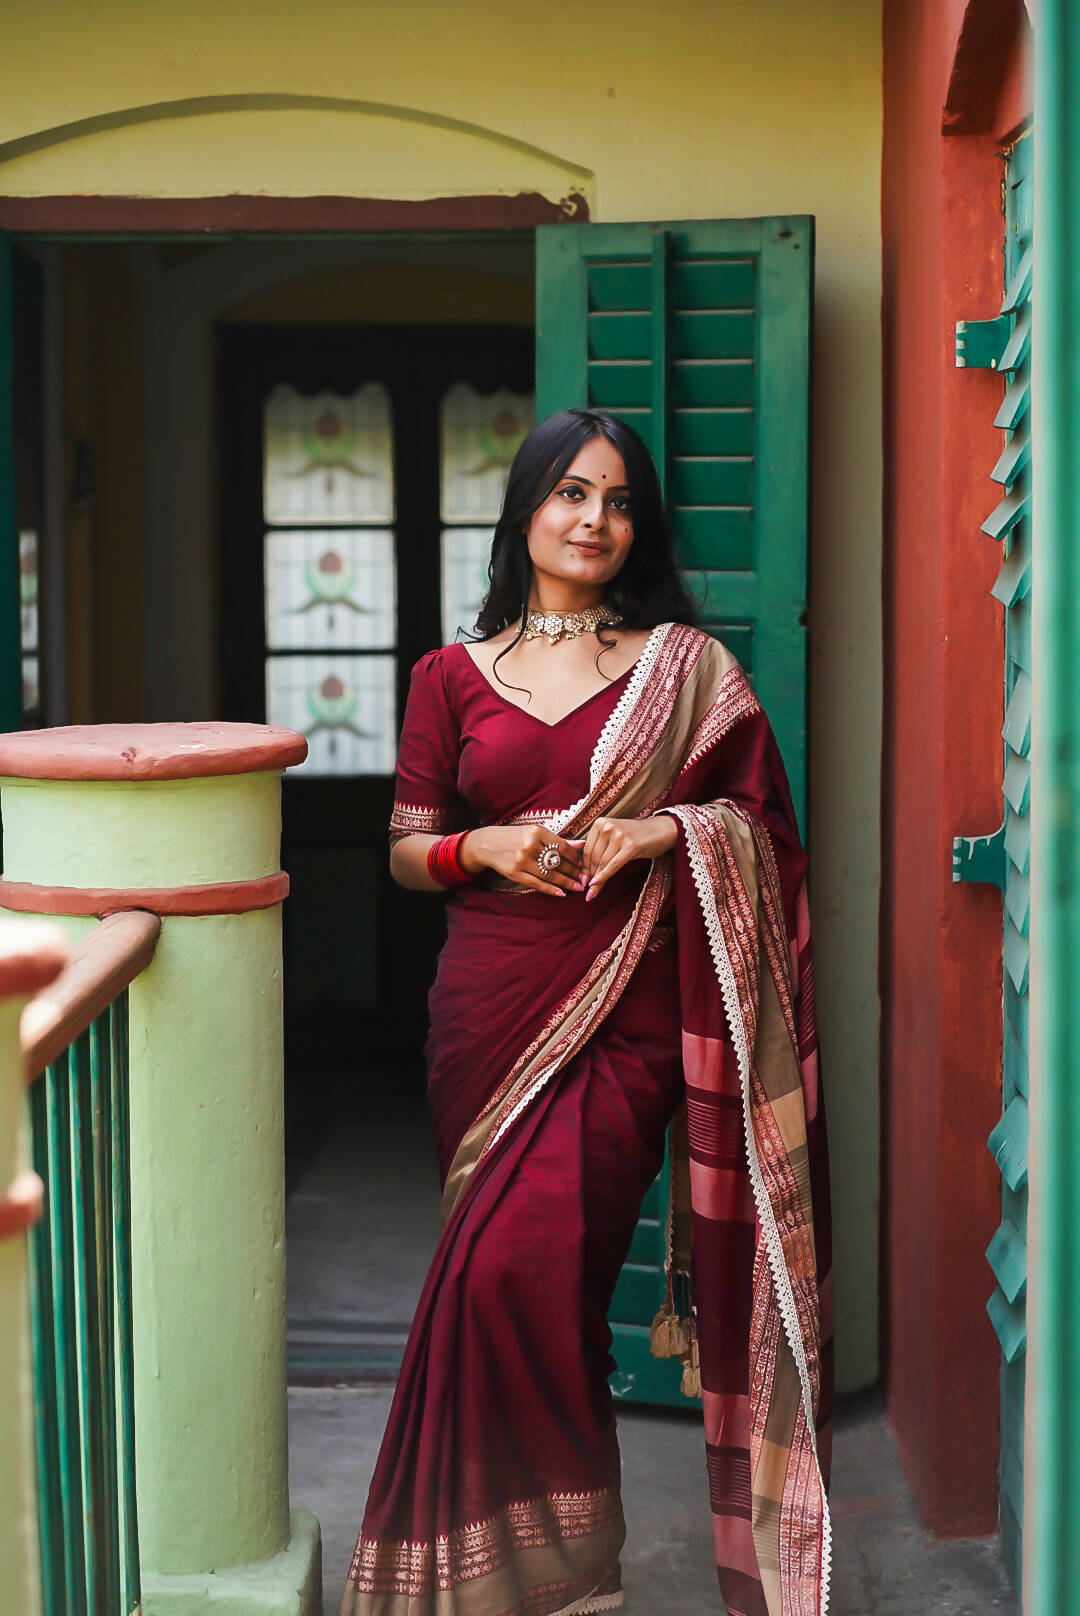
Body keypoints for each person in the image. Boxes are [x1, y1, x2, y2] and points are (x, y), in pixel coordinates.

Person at [339, 409, 832, 1616]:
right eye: (570, 492)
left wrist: (660, 827)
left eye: (618, 500)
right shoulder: (449, 677)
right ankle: (516, 1568)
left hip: (626, 1013)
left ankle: (566, 1571)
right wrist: (485, 848)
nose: (594, 519)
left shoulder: (687, 669)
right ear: (524, 512)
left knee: (541, 1272)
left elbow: (762, 831)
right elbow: (405, 849)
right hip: (488, 1008)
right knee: (495, 1272)